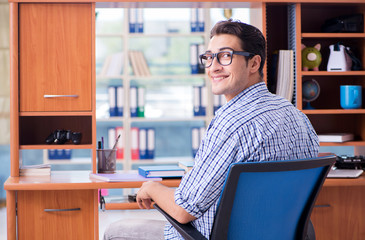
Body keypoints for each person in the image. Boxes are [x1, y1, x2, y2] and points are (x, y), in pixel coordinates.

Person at [104, 19, 319, 240]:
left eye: (226, 56)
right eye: (209, 57)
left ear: (254, 64)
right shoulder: (296, 115)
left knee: (116, 231)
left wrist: (151, 188)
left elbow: (183, 210)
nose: (214, 67)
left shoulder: (231, 121)